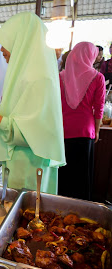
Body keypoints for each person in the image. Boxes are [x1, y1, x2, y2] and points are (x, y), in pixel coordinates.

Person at [0, 12, 66, 194]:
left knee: (28, 216)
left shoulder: (39, 79)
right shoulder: (24, 75)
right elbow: (22, 116)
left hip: (30, 167)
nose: (2, 50)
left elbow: (36, 133)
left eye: (6, 43)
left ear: (23, 42)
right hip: (19, 164)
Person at [58, 42, 105, 201]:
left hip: (62, 132)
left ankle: (59, 211)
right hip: (85, 132)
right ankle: (81, 215)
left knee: (63, 175)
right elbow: (99, 108)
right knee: (82, 176)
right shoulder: (98, 77)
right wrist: (97, 131)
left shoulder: (60, 77)